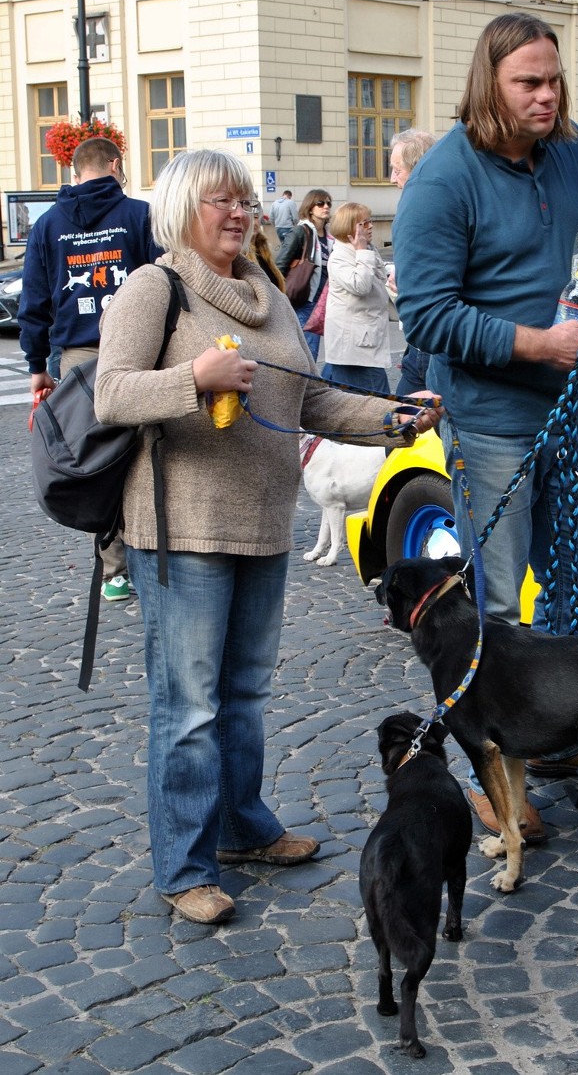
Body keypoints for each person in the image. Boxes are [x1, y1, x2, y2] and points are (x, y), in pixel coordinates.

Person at [93, 149, 441, 925]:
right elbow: (109, 394)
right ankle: (185, 866)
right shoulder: (158, 289)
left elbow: (311, 402)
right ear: (184, 208)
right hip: (180, 528)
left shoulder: (268, 297)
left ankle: (243, 827)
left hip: (261, 526)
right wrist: (195, 382)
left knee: (244, 696)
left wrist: (394, 420)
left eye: (246, 200)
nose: (241, 212)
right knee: (188, 706)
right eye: (223, 200)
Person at [393, 12, 578, 837]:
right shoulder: (444, 178)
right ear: (491, 83)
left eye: (554, 79)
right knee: (485, 618)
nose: (547, 95)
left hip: (573, 412)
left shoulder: (574, 149)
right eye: (529, 82)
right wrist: (534, 342)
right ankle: (490, 781)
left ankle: (557, 741)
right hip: (491, 426)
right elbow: (424, 317)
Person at [18, 136, 160, 603]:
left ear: (75, 172)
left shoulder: (48, 224)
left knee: (100, 457)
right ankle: (160, 552)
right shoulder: (139, 215)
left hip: (79, 356)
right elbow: (164, 278)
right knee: (153, 446)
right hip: (139, 346)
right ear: (116, 164)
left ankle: (115, 570)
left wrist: (37, 364)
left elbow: (34, 299)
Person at [322, 203, 393, 394]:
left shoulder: (366, 249)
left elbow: (378, 276)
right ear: (350, 227)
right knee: (375, 407)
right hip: (355, 350)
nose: (371, 226)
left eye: (370, 221)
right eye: (365, 223)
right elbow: (360, 286)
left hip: (363, 344)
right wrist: (362, 251)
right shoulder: (340, 256)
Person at [388, 129, 438, 397]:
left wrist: (406, 283)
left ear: (418, 169)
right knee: (400, 428)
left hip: (436, 350)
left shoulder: (437, 210)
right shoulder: (414, 208)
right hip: (419, 348)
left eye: (398, 170)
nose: (392, 179)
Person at [277, 189, 333, 361]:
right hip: (305, 300)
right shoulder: (302, 232)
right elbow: (280, 264)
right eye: (320, 203)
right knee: (308, 352)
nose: (326, 207)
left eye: (329, 203)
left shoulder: (330, 237)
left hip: (323, 301)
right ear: (310, 207)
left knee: (325, 351)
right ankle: (307, 385)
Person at [246, 207, 286, 291]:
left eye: (255, 217)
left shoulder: (263, 249)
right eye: (248, 216)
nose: (253, 223)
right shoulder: (241, 254)